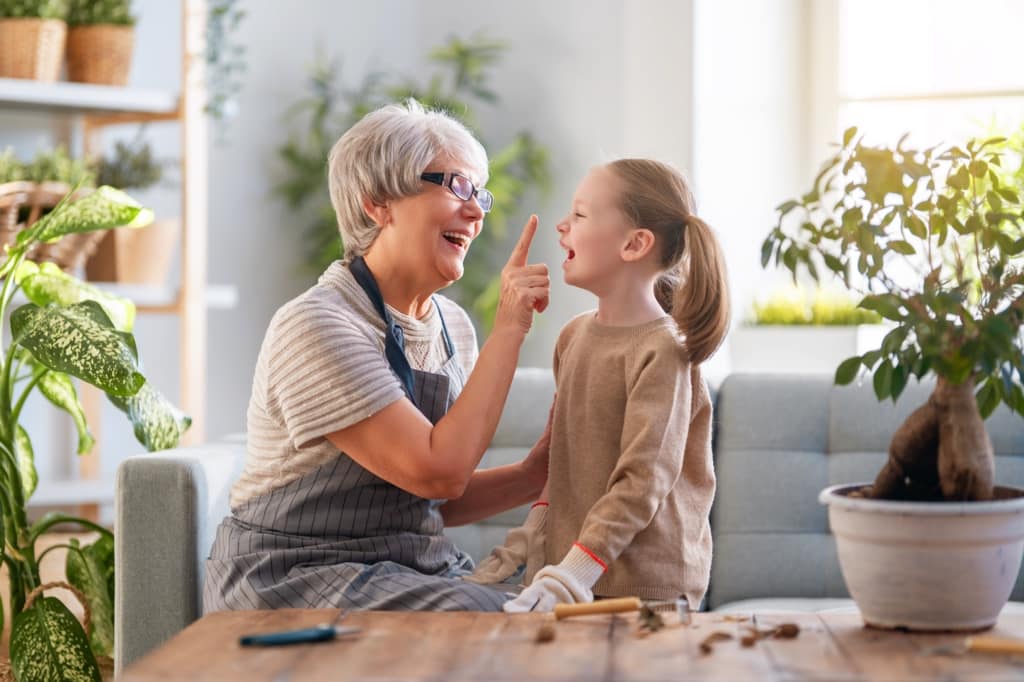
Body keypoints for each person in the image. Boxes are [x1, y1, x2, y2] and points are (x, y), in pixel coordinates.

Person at [203, 99, 552, 613]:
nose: (476, 211)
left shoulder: (453, 327)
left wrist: (537, 472)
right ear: (378, 202)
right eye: (455, 185)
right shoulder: (317, 324)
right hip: (295, 572)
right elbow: (439, 472)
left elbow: (433, 500)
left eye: (479, 193)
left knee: (552, 610)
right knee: (502, 622)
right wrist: (510, 328)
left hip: (407, 567)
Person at [467, 158, 730, 612]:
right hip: (573, 580)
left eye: (581, 215)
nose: (562, 226)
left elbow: (643, 482)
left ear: (634, 244)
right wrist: (525, 546)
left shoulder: (663, 352)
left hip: (648, 593)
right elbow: (561, 468)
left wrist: (572, 573)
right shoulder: (573, 338)